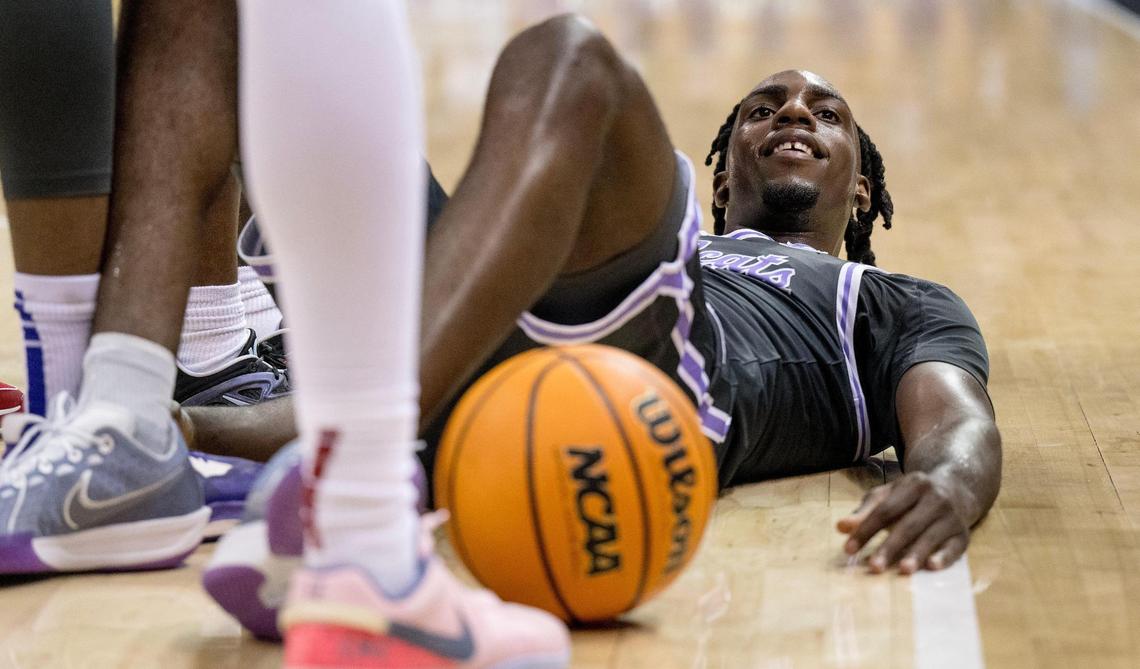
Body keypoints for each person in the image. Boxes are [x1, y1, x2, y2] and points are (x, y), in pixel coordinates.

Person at [200, 15, 1001, 658]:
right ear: (723, 178)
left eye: (826, 115)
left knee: (575, 57)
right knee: (286, 58)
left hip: (655, 387)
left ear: (861, 185)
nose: (793, 112)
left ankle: (323, 446)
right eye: (765, 109)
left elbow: (957, 419)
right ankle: (160, 415)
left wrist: (951, 486)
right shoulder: (680, 235)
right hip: (495, 332)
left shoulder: (895, 300)